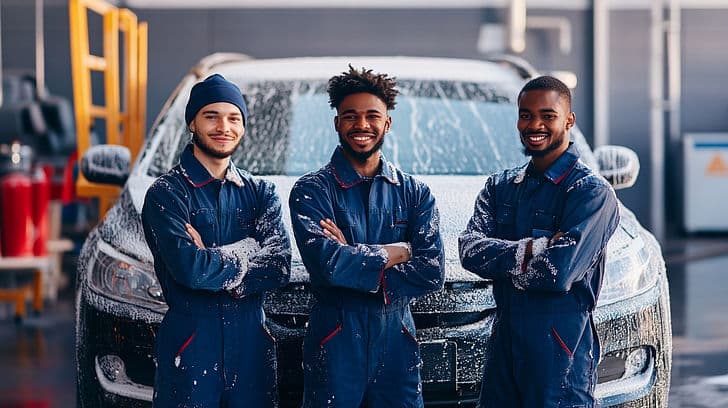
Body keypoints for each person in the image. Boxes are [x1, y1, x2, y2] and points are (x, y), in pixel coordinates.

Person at [288, 65, 445, 407]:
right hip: (335, 337)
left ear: (387, 123)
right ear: (337, 123)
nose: (362, 125)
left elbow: (432, 270)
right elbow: (326, 265)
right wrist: (397, 251)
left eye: (372, 116)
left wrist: (352, 255)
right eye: (350, 116)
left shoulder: (415, 193)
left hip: (397, 340)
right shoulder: (311, 191)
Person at [458, 75, 620, 408]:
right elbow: (470, 251)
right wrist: (536, 247)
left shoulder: (591, 193)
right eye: (526, 114)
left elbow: (557, 273)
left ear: (569, 120)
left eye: (548, 115)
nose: (535, 124)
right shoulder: (501, 187)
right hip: (504, 345)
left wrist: (503, 260)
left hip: (560, 350)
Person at [141, 73, 291, 407]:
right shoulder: (167, 194)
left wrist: (213, 256)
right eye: (212, 116)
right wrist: (250, 249)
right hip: (191, 344)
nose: (224, 126)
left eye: (233, 117)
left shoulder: (261, 193)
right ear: (192, 122)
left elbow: (279, 266)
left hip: (252, 345)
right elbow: (190, 270)